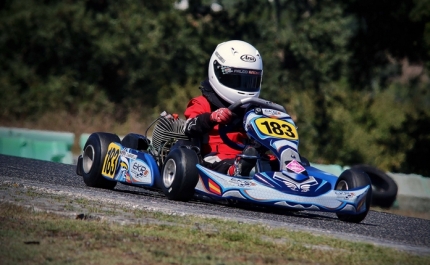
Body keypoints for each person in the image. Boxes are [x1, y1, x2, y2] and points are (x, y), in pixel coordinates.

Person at [184, 40, 263, 178]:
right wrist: (211, 118)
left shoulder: (253, 109)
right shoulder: (202, 103)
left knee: (275, 162)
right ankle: (235, 171)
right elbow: (188, 127)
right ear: (219, 72)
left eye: (249, 81)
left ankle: (297, 174)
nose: (244, 87)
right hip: (213, 158)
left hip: (247, 156)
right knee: (221, 164)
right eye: (236, 79)